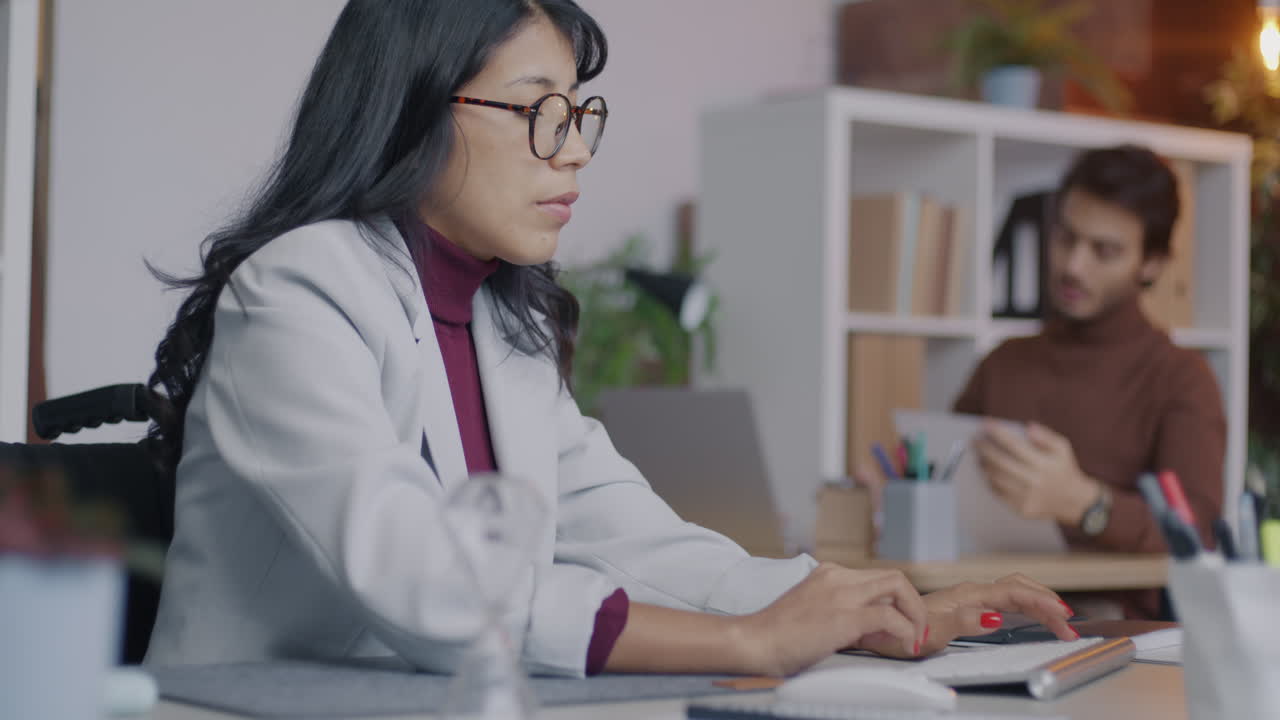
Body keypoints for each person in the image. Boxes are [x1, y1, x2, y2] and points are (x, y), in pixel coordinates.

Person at [143, 0, 1074, 677]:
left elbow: (648, 544)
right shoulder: (300, 289)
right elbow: (425, 576)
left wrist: (864, 605)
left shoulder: (505, 322)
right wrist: (752, 643)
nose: (578, 147)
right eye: (540, 110)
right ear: (416, 109)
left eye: (580, 111)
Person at [954, 145, 1225, 619]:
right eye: (1065, 237)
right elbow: (947, 481)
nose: (1074, 265)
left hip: (1111, 634)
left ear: (1152, 264)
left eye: (1105, 251)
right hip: (980, 615)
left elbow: (1198, 533)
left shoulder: (1180, 378)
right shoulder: (1002, 362)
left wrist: (1087, 505)